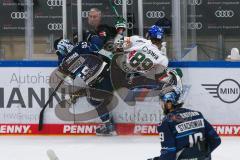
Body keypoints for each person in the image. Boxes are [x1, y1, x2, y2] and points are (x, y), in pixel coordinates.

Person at [148, 91, 221, 160]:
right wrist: (200, 154)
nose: (162, 106)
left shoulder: (166, 122)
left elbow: (169, 153)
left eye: (163, 102)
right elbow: (216, 140)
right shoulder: (198, 115)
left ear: (169, 103)